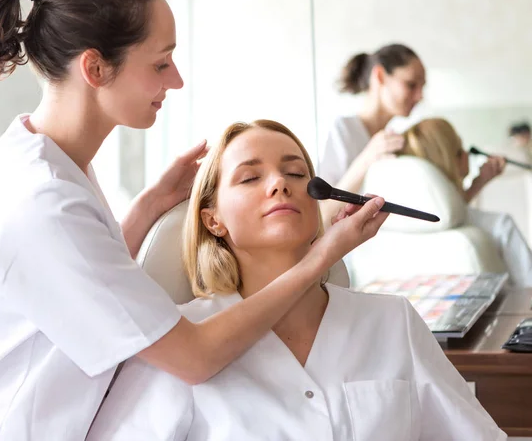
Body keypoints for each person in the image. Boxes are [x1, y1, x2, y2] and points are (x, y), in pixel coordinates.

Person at [0, 0, 390, 441]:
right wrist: (320, 258)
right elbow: (193, 358)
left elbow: (86, 282)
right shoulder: (43, 200)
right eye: (160, 63)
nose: (175, 80)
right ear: (95, 67)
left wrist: (150, 205)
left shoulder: (48, 156)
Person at [87, 119, 505, 441]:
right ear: (213, 220)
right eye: (250, 177)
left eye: (296, 173)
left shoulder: (393, 323)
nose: (280, 185)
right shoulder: (175, 340)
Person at [400, 118, 531, 286]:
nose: (467, 154)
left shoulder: (393, 236)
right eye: (459, 150)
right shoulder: (500, 226)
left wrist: (478, 183)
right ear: (449, 161)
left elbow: (454, 211)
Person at [318, 44, 426, 222]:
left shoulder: (393, 140)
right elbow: (322, 215)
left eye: (422, 87)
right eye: (411, 84)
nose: (420, 96)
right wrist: (367, 158)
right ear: (380, 76)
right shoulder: (343, 130)